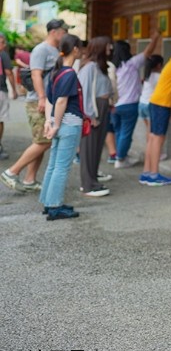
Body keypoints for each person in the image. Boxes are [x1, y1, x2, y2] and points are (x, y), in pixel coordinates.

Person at [1, 19, 68, 193]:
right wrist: (41, 97)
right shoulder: (41, 49)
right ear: (54, 31)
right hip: (39, 102)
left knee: (41, 140)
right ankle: (11, 171)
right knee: (44, 141)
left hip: (47, 101)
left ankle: (30, 179)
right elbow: (36, 74)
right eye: (64, 30)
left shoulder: (56, 50)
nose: (65, 34)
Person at [39, 34, 85, 221]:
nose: (81, 51)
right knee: (62, 167)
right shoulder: (69, 73)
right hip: (68, 124)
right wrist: (56, 124)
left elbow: (51, 100)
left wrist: (50, 122)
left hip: (58, 124)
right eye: (80, 47)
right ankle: (55, 206)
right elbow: (61, 101)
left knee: (53, 165)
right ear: (75, 49)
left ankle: (49, 202)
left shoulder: (55, 72)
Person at [110, 31, 161, 168]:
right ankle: (120, 159)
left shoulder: (113, 67)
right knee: (126, 133)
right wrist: (155, 38)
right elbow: (148, 51)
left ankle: (120, 157)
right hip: (129, 105)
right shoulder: (131, 64)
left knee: (120, 132)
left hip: (114, 105)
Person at [77, 37, 114, 197]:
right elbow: (84, 92)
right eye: (108, 45)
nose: (110, 48)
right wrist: (90, 115)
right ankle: (88, 184)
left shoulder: (100, 66)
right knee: (89, 147)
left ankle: (93, 180)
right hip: (95, 109)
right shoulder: (90, 67)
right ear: (100, 47)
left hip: (103, 107)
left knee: (97, 147)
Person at [142, 49, 171, 186]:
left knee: (153, 137)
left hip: (155, 102)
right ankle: (154, 175)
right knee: (158, 139)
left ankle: (147, 173)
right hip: (162, 104)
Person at [0, 34, 18, 160]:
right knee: (0, 119)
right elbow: (9, 73)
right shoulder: (3, 55)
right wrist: (14, 90)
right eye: (2, 42)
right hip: (0, 91)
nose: (4, 45)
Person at [138, 54, 164, 136]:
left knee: (148, 129)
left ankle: (149, 148)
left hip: (141, 104)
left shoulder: (146, 76)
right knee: (151, 131)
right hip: (149, 105)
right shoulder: (159, 76)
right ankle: (150, 148)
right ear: (159, 65)